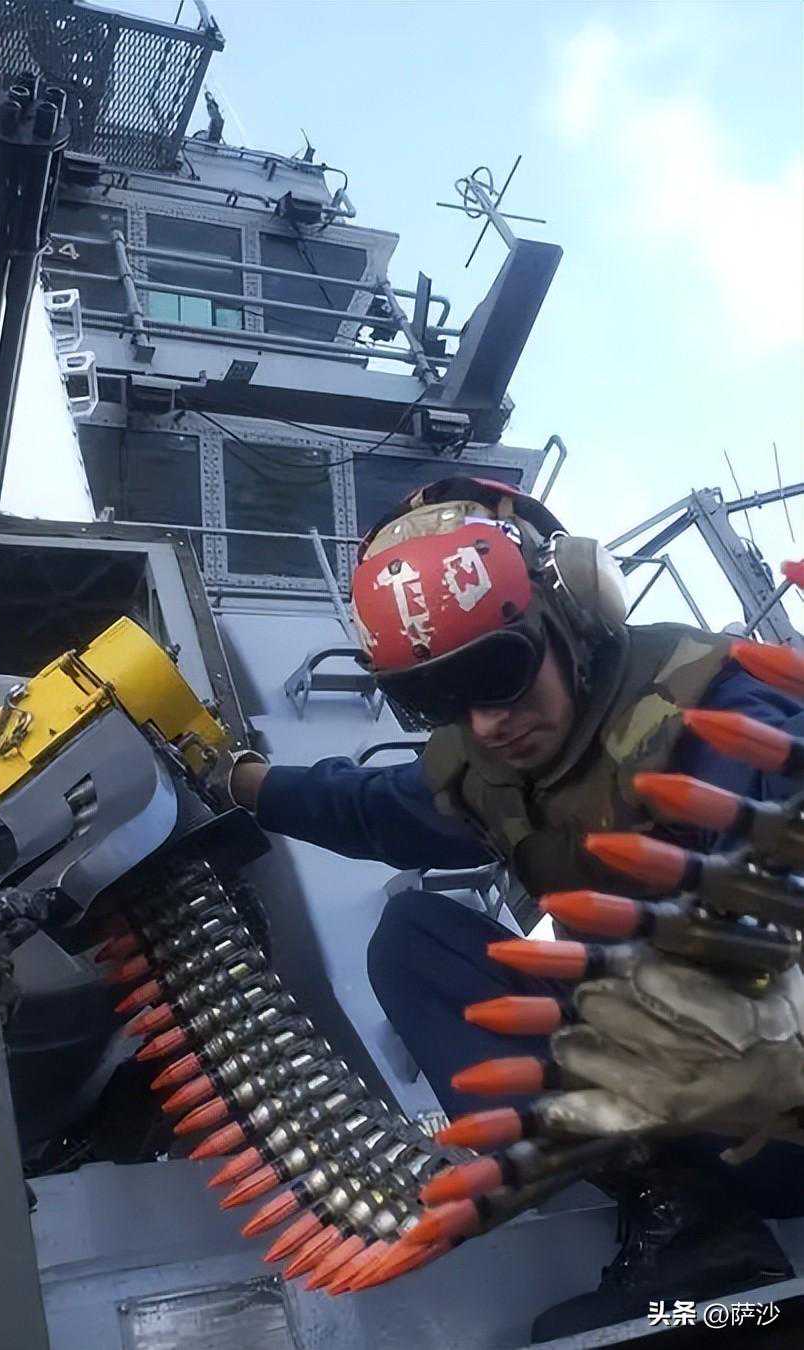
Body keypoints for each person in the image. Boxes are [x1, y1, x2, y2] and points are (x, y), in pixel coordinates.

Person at [227, 476, 804, 1338]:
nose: (487, 723)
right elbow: (374, 809)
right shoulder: (496, 765)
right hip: (699, 1104)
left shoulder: (723, 714)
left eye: (498, 672)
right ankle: (683, 1214)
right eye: (437, 698)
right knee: (413, 941)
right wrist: (242, 783)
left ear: (573, 617)